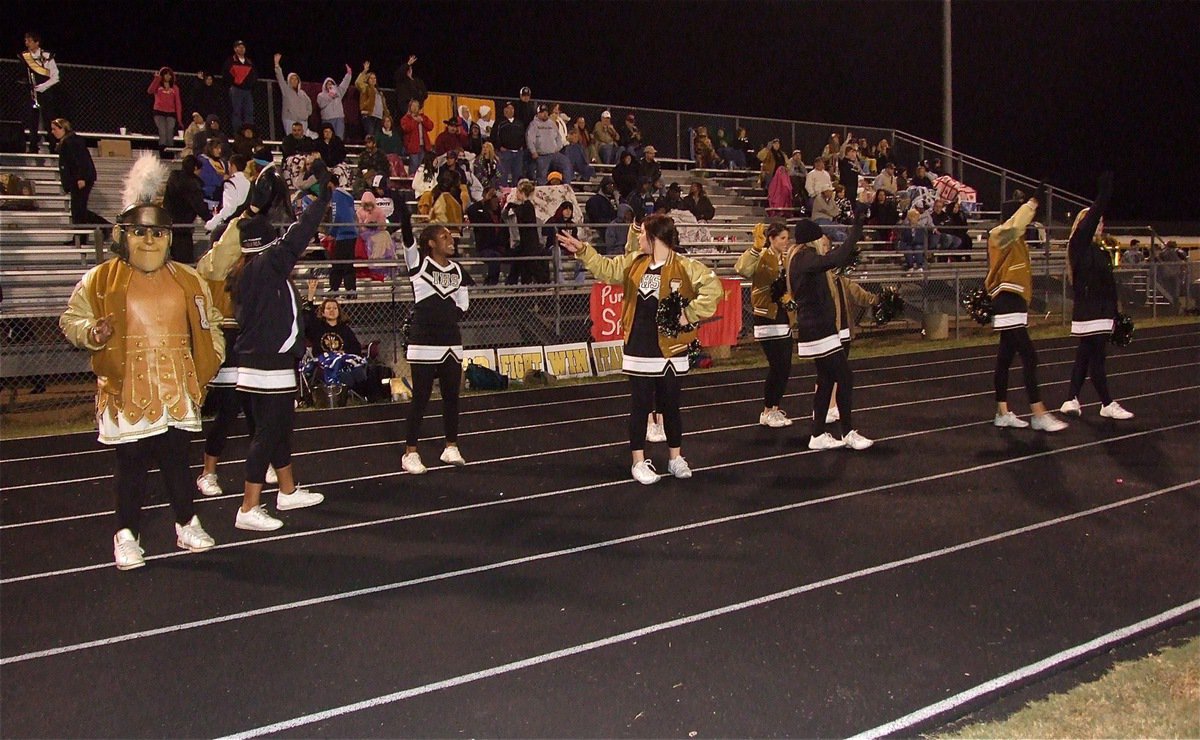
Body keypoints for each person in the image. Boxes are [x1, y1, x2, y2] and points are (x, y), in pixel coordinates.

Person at [59, 153, 224, 569]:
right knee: (130, 466)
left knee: (176, 461)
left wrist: (212, 357)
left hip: (176, 384)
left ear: (169, 236)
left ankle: (186, 523)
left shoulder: (188, 278)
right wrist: (91, 332)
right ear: (124, 234)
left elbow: (211, 322)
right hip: (127, 386)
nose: (149, 240)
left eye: (157, 232)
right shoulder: (101, 278)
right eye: (140, 231)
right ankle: (125, 535)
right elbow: (71, 318)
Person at [557, 214, 722, 484]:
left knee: (671, 406)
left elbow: (713, 290)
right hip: (640, 345)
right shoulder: (634, 262)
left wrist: (686, 315)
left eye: (643, 234)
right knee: (640, 406)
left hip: (671, 348)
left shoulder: (685, 266)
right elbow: (606, 269)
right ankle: (637, 461)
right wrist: (584, 251)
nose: (639, 238)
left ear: (655, 237)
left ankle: (675, 458)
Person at [226, 160, 333, 532]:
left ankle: (286, 491)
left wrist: (253, 207)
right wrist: (323, 193)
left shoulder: (244, 270)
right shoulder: (268, 265)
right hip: (267, 364)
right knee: (267, 435)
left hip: (260, 361)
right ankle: (248, 507)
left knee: (278, 429)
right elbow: (302, 232)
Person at [193, 217, 274, 498]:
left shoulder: (252, 268)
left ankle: (261, 464)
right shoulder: (212, 268)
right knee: (229, 410)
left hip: (250, 340)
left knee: (256, 409)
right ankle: (208, 472)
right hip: (227, 338)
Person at [786, 217, 874, 451]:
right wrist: (857, 230)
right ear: (812, 239)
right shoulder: (804, 258)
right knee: (845, 377)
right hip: (818, 329)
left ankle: (817, 435)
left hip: (818, 328)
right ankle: (847, 433)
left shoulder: (801, 258)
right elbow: (835, 258)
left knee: (826, 380)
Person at [986, 187, 1067, 432]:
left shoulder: (1016, 240)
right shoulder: (1000, 234)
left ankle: (1002, 412)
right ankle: (1038, 412)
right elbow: (1015, 225)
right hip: (1007, 298)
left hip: (1015, 301)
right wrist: (1032, 203)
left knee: (1005, 358)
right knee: (1029, 356)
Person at [399, 217, 474, 474]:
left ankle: (450, 446)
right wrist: (400, 210)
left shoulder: (457, 270)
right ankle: (410, 452)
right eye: (444, 237)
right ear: (431, 243)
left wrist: (453, 313)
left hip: (451, 341)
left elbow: (463, 302)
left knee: (451, 396)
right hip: (423, 341)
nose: (451, 240)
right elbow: (408, 239)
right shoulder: (419, 265)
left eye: (451, 237)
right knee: (421, 398)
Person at [1059, 173, 1131, 420]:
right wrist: (1103, 195)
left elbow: (1109, 284)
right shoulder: (1078, 245)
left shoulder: (1100, 251)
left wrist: (1116, 313)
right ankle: (1107, 403)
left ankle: (1071, 398)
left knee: (1085, 354)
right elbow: (1089, 221)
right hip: (1089, 309)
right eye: (1095, 221)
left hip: (1102, 311)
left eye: (1101, 222)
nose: (1100, 224)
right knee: (1096, 357)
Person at [736, 222, 797, 428]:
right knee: (778, 366)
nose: (786, 242)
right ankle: (767, 410)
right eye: (782, 238)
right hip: (766, 316)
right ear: (771, 239)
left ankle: (773, 408)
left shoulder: (785, 258)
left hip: (782, 315)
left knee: (785, 367)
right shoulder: (762, 255)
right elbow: (742, 269)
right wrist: (755, 247)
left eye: (787, 238)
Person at [50, 118, 99, 229]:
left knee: (78, 209)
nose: (52, 132)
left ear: (63, 128)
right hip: (77, 179)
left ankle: (103, 227)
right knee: (78, 210)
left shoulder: (71, 141)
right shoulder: (68, 141)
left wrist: (81, 177)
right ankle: (82, 235)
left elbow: (80, 160)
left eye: (54, 129)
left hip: (81, 179)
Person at [20, 32, 62, 153]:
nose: (26, 43)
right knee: (32, 122)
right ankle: (33, 147)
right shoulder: (24, 56)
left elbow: (56, 76)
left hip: (46, 93)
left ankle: (53, 146)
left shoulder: (47, 56)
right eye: (26, 40)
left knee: (49, 120)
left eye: (29, 41)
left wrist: (43, 87)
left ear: (36, 42)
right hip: (31, 93)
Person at [162, 155, 208, 264]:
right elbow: (199, 206)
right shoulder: (192, 185)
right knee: (184, 261)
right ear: (195, 168)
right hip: (184, 227)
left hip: (169, 224)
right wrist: (210, 219)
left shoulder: (173, 179)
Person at [503, 179, 546, 284]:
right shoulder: (524, 206)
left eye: (518, 192)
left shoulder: (528, 206)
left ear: (522, 193)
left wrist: (512, 206)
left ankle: (543, 282)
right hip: (525, 240)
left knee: (532, 263)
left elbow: (522, 214)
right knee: (525, 263)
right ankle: (525, 283)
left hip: (530, 240)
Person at [467, 186, 509, 285]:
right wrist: (485, 199)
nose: (495, 201)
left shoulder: (499, 214)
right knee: (494, 257)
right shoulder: (480, 213)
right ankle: (490, 285)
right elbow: (470, 211)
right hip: (485, 248)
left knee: (520, 255)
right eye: (493, 197)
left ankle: (512, 283)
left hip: (499, 247)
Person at [327, 173, 358, 295]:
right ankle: (350, 290)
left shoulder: (336, 195)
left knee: (338, 263)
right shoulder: (347, 195)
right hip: (351, 233)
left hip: (342, 233)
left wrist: (332, 233)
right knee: (348, 264)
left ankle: (335, 289)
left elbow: (337, 215)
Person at [527, 104, 572, 185]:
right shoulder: (533, 124)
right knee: (542, 174)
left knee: (566, 163)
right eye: (542, 112)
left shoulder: (551, 123)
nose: (544, 114)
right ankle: (542, 190)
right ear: (538, 114)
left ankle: (566, 187)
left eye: (546, 112)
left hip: (554, 153)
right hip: (542, 155)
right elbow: (530, 139)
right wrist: (533, 151)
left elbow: (558, 137)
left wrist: (557, 148)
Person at [205, 153, 251, 233]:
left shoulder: (230, 184)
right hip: (245, 223)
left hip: (231, 225)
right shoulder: (249, 182)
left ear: (233, 166)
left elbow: (229, 208)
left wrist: (213, 223)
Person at [273, 53, 314, 136]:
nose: (294, 81)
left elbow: (309, 104)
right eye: (292, 79)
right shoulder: (286, 90)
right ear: (289, 80)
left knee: (303, 141)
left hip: (303, 121)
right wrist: (277, 65)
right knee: (291, 141)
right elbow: (280, 78)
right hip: (290, 120)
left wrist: (306, 114)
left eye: (296, 79)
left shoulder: (302, 93)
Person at [147, 67, 184, 155]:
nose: (167, 76)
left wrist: (179, 119)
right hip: (159, 112)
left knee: (170, 132)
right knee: (162, 132)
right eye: (165, 74)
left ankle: (170, 154)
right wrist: (156, 79)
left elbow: (178, 103)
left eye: (169, 74)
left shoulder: (175, 88)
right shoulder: (158, 85)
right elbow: (150, 91)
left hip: (171, 113)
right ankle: (163, 154)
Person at [222, 40, 257, 131]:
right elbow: (226, 75)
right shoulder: (230, 61)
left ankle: (249, 132)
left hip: (247, 90)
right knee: (236, 112)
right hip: (236, 89)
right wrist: (234, 83)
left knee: (249, 112)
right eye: (239, 47)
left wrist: (249, 85)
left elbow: (254, 75)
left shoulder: (249, 62)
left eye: (243, 47)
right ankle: (238, 133)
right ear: (235, 49)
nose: (241, 49)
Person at [316, 66, 353, 140]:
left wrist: (348, 74)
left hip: (339, 119)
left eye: (331, 83)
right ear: (325, 85)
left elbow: (344, 84)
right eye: (328, 84)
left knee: (339, 138)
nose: (330, 85)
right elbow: (321, 105)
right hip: (327, 119)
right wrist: (330, 97)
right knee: (328, 139)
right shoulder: (321, 95)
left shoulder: (338, 92)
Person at [355, 61, 389, 139]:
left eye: (374, 78)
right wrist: (365, 71)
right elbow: (357, 83)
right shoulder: (366, 88)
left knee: (376, 138)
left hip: (379, 117)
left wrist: (387, 115)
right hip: (369, 115)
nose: (373, 80)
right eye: (371, 78)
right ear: (367, 79)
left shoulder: (379, 92)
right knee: (370, 135)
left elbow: (384, 106)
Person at [400, 99, 435, 175]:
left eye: (417, 106)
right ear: (410, 107)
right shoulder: (406, 118)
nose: (415, 108)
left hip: (423, 146)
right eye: (413, 105)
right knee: (414, 166)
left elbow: (431, 126)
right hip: (413, 146)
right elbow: (406, 128)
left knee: (421, 167)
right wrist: (415, 121)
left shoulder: (422, 117)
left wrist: (422, 121)